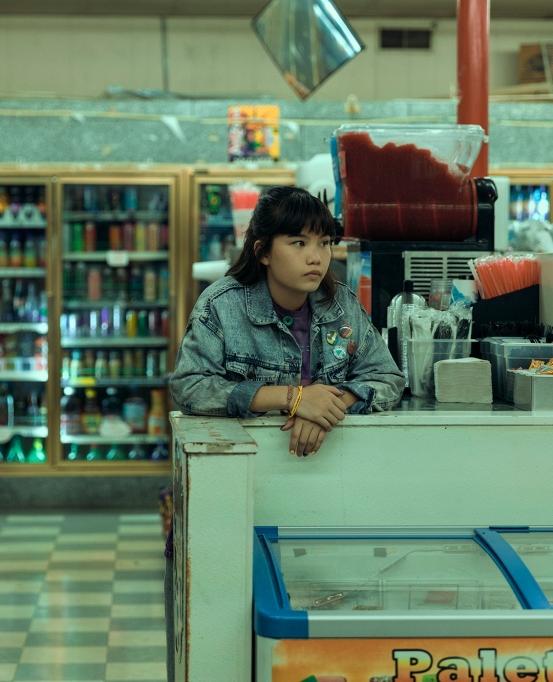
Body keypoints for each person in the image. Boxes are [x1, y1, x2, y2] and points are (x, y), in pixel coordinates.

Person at [162, 186, 404, 680]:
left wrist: (325, 405)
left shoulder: (340, 305)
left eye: (324, 242)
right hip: (232, 508)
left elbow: (388, 378)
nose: (316, 257)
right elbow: (189, 386)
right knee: (219, 649)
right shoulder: (223, 306)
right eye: (298, 243)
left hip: (317, 507)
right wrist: (293, 397)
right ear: (262, 251)